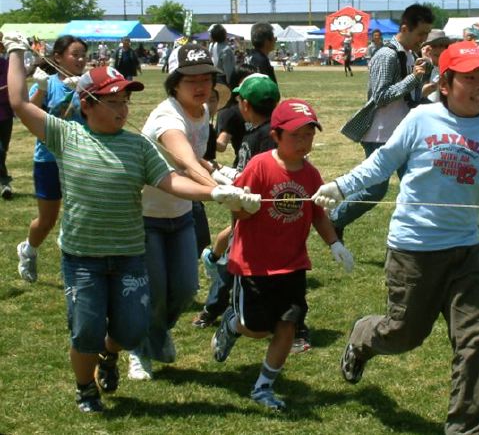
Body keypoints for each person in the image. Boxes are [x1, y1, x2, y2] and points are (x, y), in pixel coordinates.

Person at [3, 32, 258, 413]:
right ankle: (85, 390)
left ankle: (111, 354)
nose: (123, 109)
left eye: (125, 101)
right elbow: (19, 102)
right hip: (83, 259)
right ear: (87, 105)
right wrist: (15, 51)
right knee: (86, 331)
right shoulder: (66, 135)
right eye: (113, 101)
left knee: (131, 329)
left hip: (128, 256)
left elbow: (171, 180)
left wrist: (215, 193)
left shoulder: (137, 145)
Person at [312, 40, 479, 435]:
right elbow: (381, 164)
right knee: (404, 335)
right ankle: (364, 336)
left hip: (464, 254)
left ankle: (465, 429)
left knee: (475, 341)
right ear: (445, 84)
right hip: (413, 251)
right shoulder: (420, 120)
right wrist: (342, 186)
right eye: (470, 78)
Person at [211, 98, 355, 410]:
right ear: (275, 135)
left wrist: (335, 244)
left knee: (287, 326)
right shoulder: (259, 166)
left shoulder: (311, 175)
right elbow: (239, 212)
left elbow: (318, 215)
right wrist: (244, 206)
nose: (304, 143)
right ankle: (232, 324)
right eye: (296, 136)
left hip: (292, 264)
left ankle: (263, 387)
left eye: (309, 136)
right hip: (254, 264)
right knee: (257, 327)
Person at [126, 44, 231, 381]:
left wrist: (221, 172)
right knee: (154, 290)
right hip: (147, 216)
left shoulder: (201, 113)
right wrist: (219, 190)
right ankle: (139, 349)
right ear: (174, 83)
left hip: (182, 213)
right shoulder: (166, 117)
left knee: (186, 289)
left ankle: (158, 332)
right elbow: (183, 157)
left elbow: (196, 159)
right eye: (191, 79)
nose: (200, 85)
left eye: (206, 78)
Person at [334, 4, 434, 241]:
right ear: (404, 28)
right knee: (374, 189)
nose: (423, 39)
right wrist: (414, 78)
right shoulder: (386, 55)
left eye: (427, 34)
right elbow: (380, 97)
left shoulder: (410, 54)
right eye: (420, 33)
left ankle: (422, 236)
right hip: (380, 135)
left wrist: (424, 72)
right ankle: (333, 220)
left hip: (403, 132)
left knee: (417, 183)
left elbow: (413, 95)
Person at [192, 71, 279, 329]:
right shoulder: (265, 133)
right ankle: (215, 309)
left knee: (235, 263)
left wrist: (220, 175)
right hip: (251, 215)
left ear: (246, 105)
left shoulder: (262, 137)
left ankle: (214, 310)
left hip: (254, 216)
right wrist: (218, 169)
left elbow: (257, 179)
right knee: (235, 258)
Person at [16, 35, 87, 283]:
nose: (80, 59)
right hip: (48, 159)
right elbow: (29, 114)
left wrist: (83, 90)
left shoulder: (86, 83)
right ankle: (29, 249)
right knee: (47, 220)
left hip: (80, 157)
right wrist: (43, 89)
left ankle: (74, 260)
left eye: (83, 55)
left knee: (79, 213)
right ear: (58, 57)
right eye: (75, 54)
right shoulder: (47, 83)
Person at [420, 29, 452, 103]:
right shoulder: (420, 68)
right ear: (427, 49)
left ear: (446, 48)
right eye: (434, 46)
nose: (438, 50)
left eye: (441, 46)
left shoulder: (451, 69)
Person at [0, 32, 14, 199]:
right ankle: (5, 182)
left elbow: (13, 84)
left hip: (5, 113)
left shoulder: (6, 64)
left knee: (3, 150)